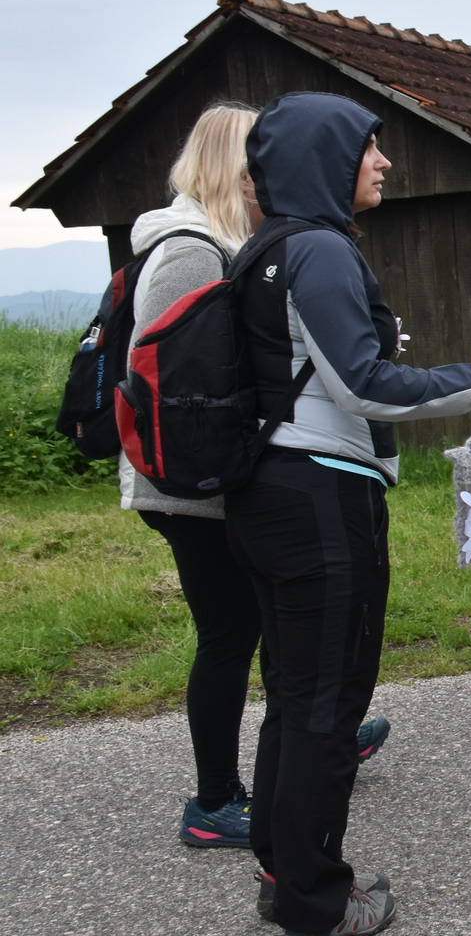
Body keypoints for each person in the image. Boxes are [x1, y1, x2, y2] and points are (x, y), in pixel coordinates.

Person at [226, 92, 471, 936]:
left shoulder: (263, 249)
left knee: (295, 696)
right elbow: (359, 386)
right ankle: (317, 906)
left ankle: (286, 874)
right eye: (367, 148)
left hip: (265, 493)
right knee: (328, 703)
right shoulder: (318, 249)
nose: (384, 162)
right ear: (323, 159)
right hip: (321, 497)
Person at [122, 103, 390, 852]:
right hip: (197, 485)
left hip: (228, 476)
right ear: (235, 169)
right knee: (230, 633)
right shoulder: (191, 250)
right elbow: (185, 382)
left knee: (274, 629)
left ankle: (308, 738)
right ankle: (216, 799)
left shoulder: (240, 245)